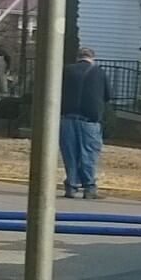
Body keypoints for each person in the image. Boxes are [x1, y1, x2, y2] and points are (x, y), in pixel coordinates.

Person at [59, 46, 111, 199]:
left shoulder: (66, 71)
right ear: (92, 58)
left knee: (70, 154)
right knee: (88, 153)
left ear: (78, 57)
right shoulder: (99, 72)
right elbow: (108, 96)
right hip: (89, 120)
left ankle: (71, 186)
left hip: (67, 118)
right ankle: (89, 187)